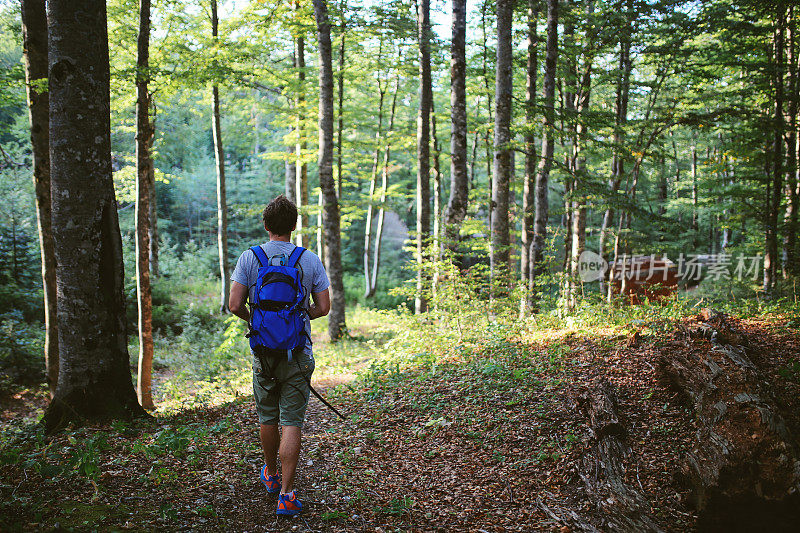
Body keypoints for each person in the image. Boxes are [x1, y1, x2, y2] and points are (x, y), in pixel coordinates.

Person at [229, 195, 330, 517]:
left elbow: (234, 305)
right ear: (294, 226)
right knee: (292, 422)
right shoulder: (309, 259)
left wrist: (260, 324)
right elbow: (324, 307)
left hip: (262, 352)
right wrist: (296, 320)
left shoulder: (250, 257)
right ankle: (286, 495)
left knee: (267, 416)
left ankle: (270, 474)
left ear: (266, 224)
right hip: (297, 352)